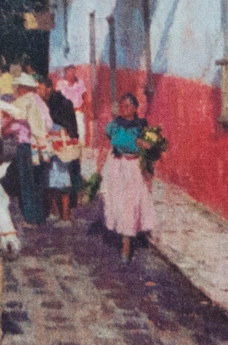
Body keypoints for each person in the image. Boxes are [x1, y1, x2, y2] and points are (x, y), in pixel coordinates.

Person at [100, 93, 155, 262]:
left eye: (128, 106)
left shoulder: (142, 126)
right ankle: (123, 234)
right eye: (122, 106)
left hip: (134, 167)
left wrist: (148, 171)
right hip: (116, 166)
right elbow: (106, 144)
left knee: (130, 204)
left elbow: (150, 151)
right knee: (117, 202)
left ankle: (126, 245)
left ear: (136, 108)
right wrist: (99, 167)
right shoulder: (114, 125)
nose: (124, 109)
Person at [6, 72, 51, 224]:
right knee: (38, 181)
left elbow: (15, 126)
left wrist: (6, 126)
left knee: (26, 182)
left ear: (22, 88)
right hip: (42, 145)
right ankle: (40, 216)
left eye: (18, 87)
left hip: (26, 145)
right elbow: (49, 124)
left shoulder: (21, 102)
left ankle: (30, 218)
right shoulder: (40, 102)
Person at [38, 76, 80, 222]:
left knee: (61, 179)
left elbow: (64, 125)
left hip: (60, 146)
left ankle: (65, 215)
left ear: (49, 88)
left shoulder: (58, 103)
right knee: (50, 178)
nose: (39, 91)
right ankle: (55, 211)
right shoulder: (45, 102)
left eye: (41, 88)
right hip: (52, 145)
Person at [56, 64, 89, 147]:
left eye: (73, 72)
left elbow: (84, 95)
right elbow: (58, 97)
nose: (71, 74)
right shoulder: (61, 83)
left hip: (77, 109)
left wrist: (84, 106)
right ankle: (66, 145)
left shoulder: (80, 82)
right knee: (64, 127)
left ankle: (81, 144)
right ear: (66, 73)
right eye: (69, 72)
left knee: (80, 126)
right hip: (65, 110)